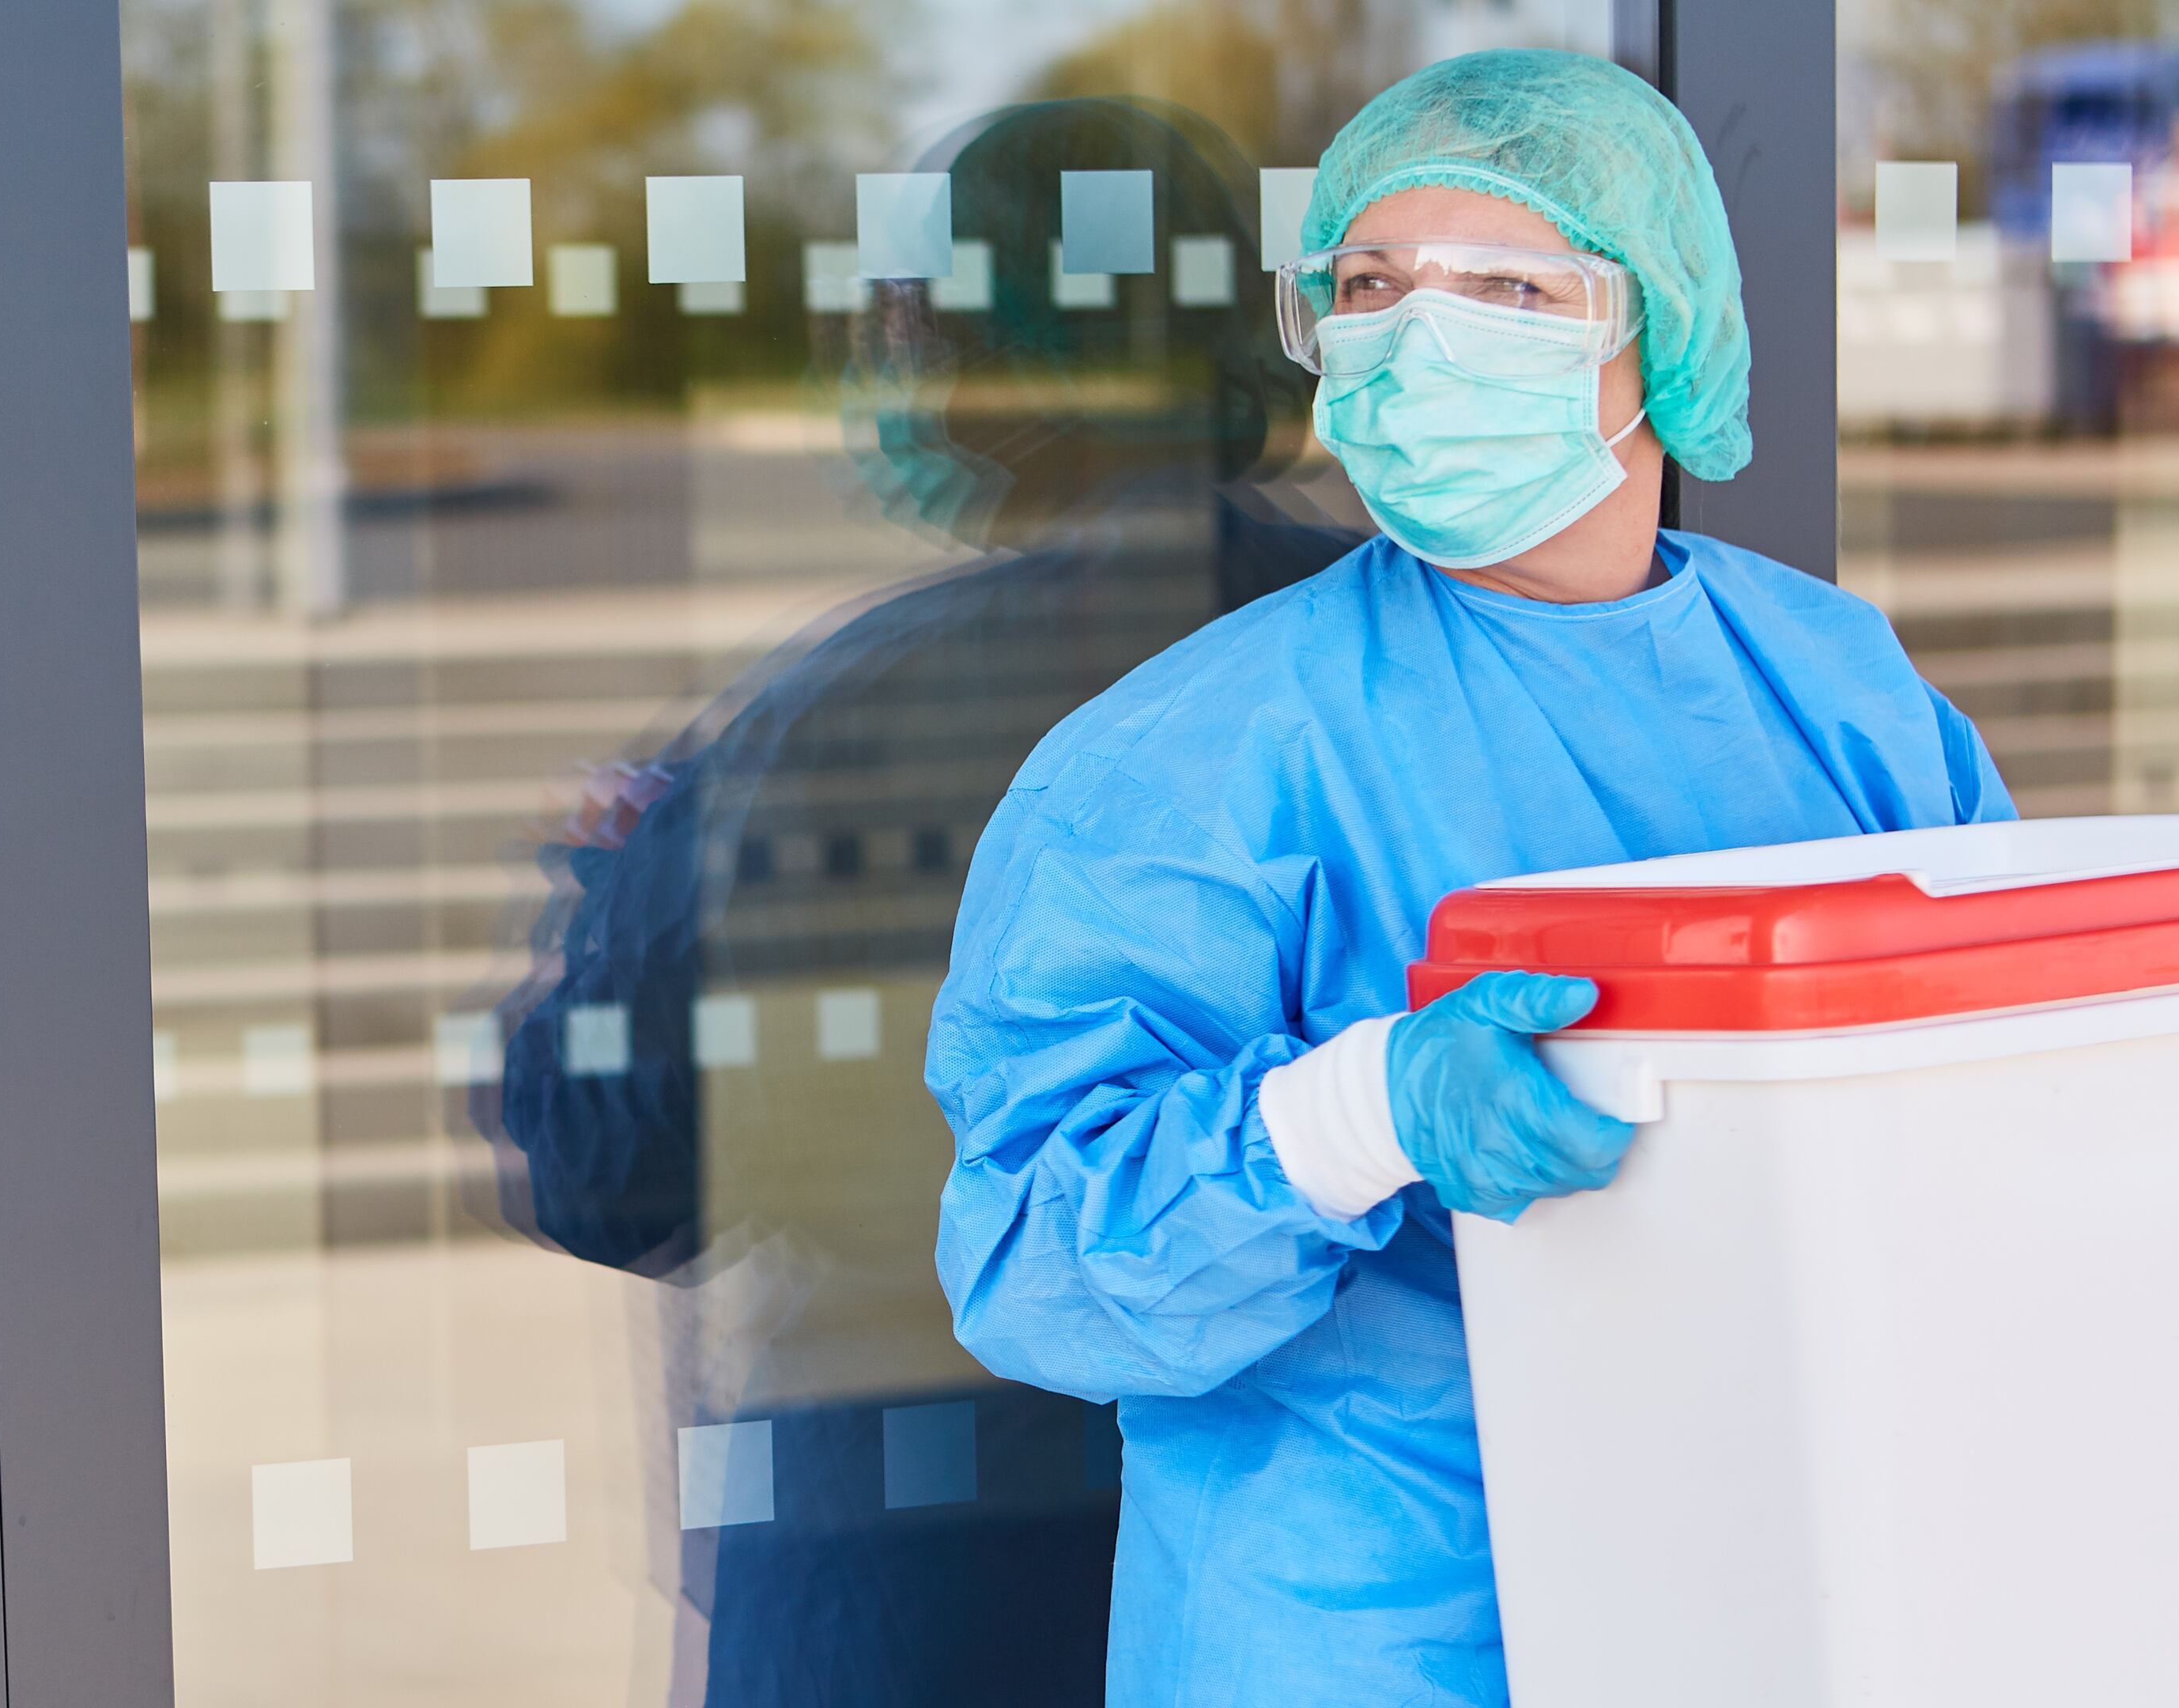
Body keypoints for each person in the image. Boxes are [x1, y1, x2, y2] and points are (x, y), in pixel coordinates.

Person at [925, 48, 2016, 1708]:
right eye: (1370, 285)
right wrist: (1360, 1113)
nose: (1419, 335)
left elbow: (1994, 1083)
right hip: (1358, 1637)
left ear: (1661, 327)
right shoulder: (1189, 759)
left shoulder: (1842, 691)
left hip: (1772, 1595)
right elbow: (1032, 1270)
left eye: (1506, 286)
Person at [473, 97, 1354, 1706]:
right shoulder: (1425, 653)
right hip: (1329, 1535)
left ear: (1005, 343)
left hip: (920, 1554)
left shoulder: (841, 713)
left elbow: (607, 1169)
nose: (891, 356)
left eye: (912, 312)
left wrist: (605, 893)